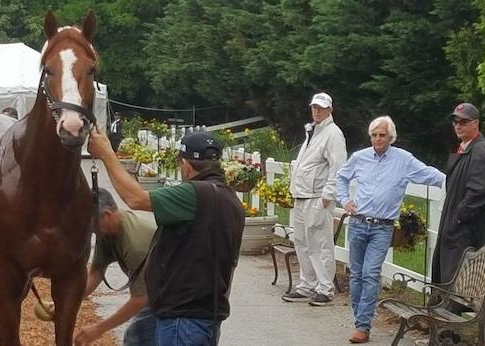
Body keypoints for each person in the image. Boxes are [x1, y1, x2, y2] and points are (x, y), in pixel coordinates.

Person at [87, 129, 244, 346]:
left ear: (186, 166)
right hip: (208, 314)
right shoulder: (232, 201)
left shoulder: (193, 194)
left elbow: (135, 199)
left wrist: (106, 153)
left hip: (182, 318)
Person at [336, 115, 445, 343]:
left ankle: (363, 326)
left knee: (371, 274)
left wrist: (455, 180)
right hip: (357, 223)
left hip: (382, 228)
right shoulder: (360, 157)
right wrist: (344, 200)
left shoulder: (404, 160)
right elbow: (341, 177)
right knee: (356, 274)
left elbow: (429, 174)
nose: (377, 139)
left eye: (382, 135)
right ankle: (360, 319)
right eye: (374, 135)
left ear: (391, 137)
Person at [281, 92, 347, 307]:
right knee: (302, 242)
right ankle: (307, 285)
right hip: (301, 195)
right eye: (314, 107)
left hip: (317, 197)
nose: (317, 111)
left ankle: (325, 288)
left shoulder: (333, 134)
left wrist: (328, 195)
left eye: (321, 107)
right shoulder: (313, 131)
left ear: (330, 110)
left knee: (320, 243)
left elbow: (338, 166)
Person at [74, 188, 157, 346]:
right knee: (137, 337)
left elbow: (140, 300)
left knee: (137, 339)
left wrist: (98, 329)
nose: (89, 231)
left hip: (179, 294)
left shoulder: (135, 244)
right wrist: (72, 300)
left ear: (107, 215)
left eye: (90, 225)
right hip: (156, 292)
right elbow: (96, 273)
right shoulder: (106, 232)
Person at [431, 103, 485, 294]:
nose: (458, 126)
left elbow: (480, 190)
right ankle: (441, 320)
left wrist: (459, 217)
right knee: (446, 278)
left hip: (463, 231)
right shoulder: (466, 147)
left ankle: (449, 322)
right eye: (455, 121)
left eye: (464, 122)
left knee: (455, 281)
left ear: (476, 123)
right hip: (453, 228)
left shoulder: (481, 150)